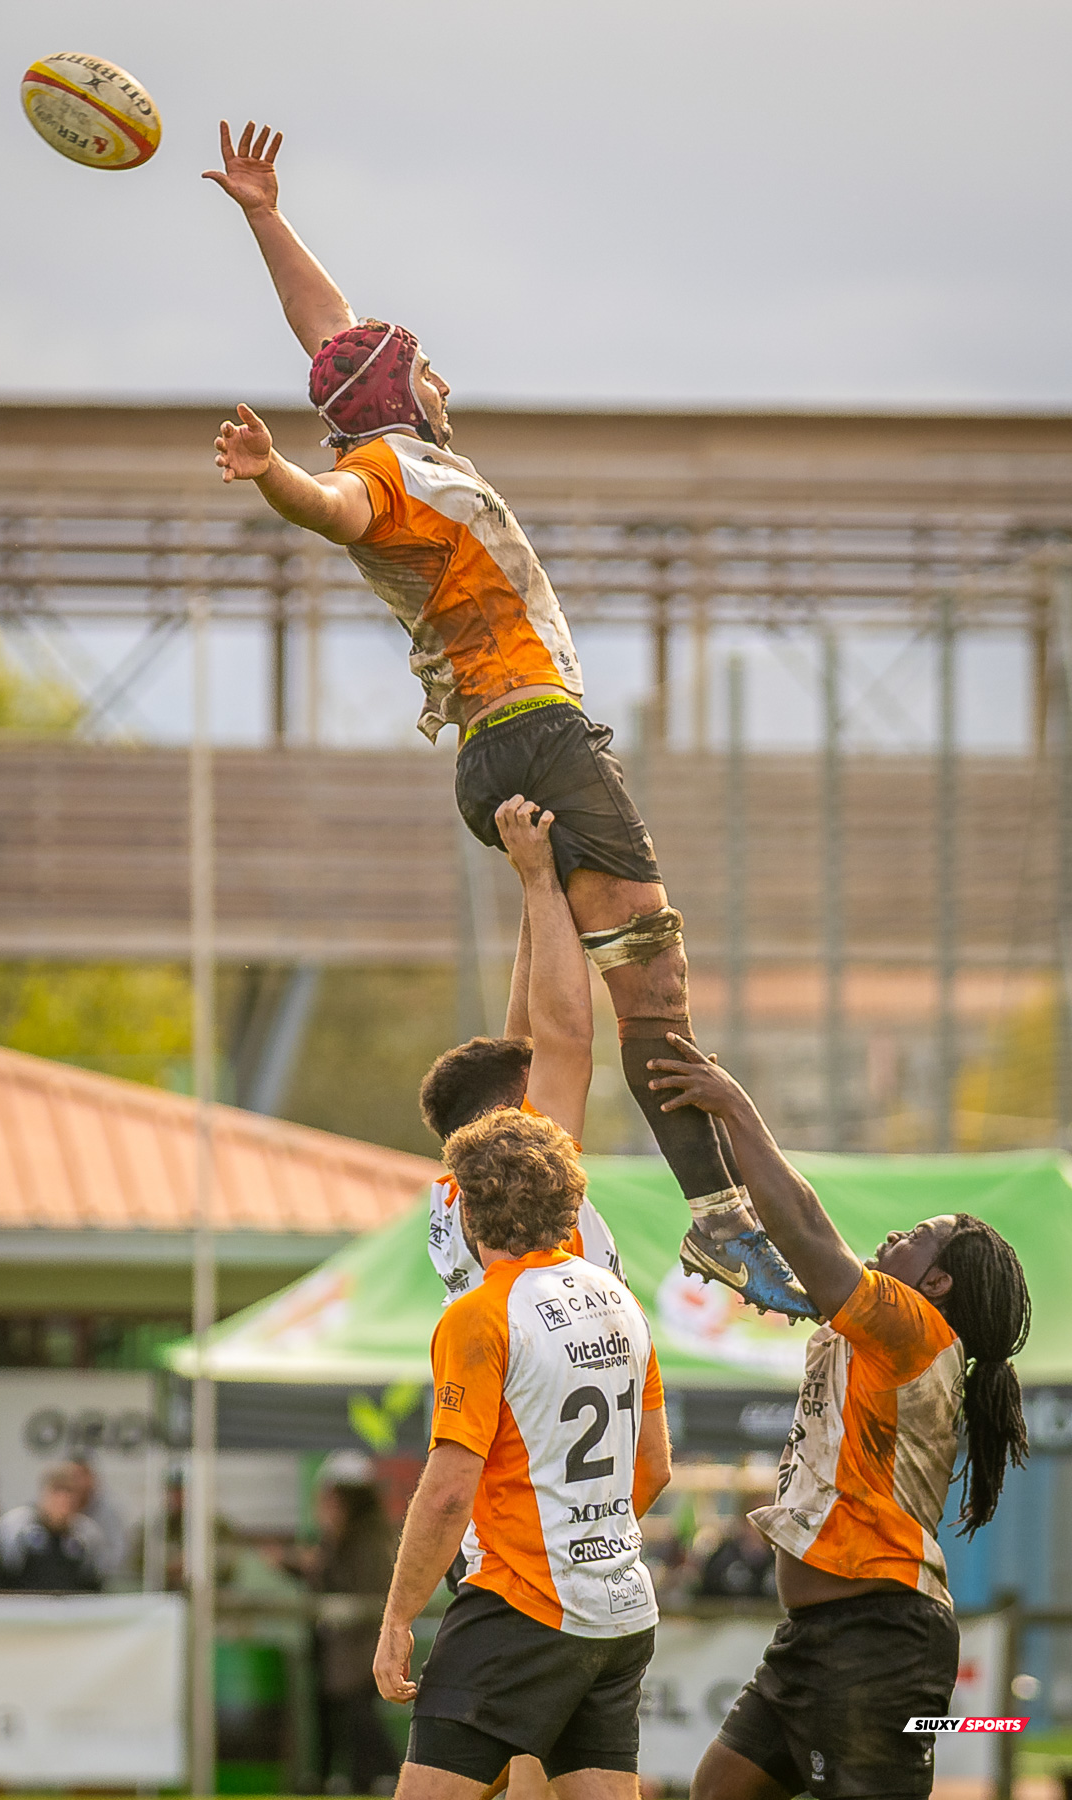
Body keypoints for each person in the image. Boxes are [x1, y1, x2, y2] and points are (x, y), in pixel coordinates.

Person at [203, 121, 811, 1323]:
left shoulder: (398, 444)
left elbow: (331, 341)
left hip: (500, 753)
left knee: (593, 1009)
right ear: (400, 392)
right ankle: (717, 1219)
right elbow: (328, 506)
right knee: (653, 993)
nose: (437, 374)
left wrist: (261, 213)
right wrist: (272, 475)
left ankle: (712, 1217)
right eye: (420, 365)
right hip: (541, 736)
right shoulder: (385, 477)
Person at [645, 1036, 1032, 1800]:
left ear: (939, 1281)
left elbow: (805, 1229)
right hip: (817, 1636)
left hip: (879, 1639)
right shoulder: (880, 1332)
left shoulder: (914, 1327)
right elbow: (800, 1262)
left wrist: (732, 1104)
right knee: (717, 1789)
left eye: (915, 1238)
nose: (894, 1236)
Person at [373, 1108, 672, 1798]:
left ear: (469, 1211)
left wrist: (395, 1621)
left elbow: (447, 1494)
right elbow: (654, 1466)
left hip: (523, 1604)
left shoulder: (478, 1316)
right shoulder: (618, 1300)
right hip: (620, 1612)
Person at [423, 795, 623, 1306]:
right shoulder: (524, 1185)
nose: (546, 1082)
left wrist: (535, 882)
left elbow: (531, 1038)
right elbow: (568, 1036)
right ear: (505, 1117)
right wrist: (537, 878)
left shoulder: (466, 1188)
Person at [305, 1451, 401, 1797]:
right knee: (345, 1719)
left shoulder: (370, 1538)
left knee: (362, 1717)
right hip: (341, 1647)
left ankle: (386, 1774)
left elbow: (368, 1592)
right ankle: (348, 1777)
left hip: (360, 1646)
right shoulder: (340, 1536)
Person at [0, 1463, 108, 1593]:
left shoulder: (86, 1537)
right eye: (56, 1497)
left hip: (70, 1609)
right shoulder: (17, 1530)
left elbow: (92, 1583)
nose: (61, 1505)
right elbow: (3, 1577)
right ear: (44, 1496)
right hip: (25, 1608)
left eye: (67, 1499)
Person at [695, 1517, 777, 1602]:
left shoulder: (776, 1559)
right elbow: (706, 1597)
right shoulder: (723, 1558)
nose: (759, 1531)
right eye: (755, 1524)